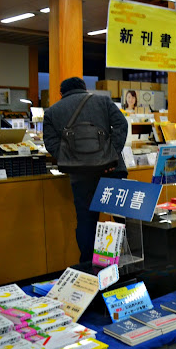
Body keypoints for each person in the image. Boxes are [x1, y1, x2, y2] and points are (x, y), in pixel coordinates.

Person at [43, 77, 128, 263]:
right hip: (111, 170)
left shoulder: (52, 112)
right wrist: (111, 154)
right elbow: (122, 124)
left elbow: (50, 142)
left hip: (80, 176)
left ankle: (89, 265)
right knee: (122, 217)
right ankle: (133, 257)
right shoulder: (103, 101)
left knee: (86, 222)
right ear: (84, 89)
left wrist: (71, 159)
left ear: (61, 93)